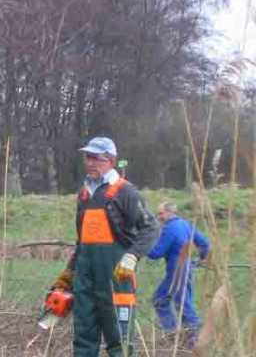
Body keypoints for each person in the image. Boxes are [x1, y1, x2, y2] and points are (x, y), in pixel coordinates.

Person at [51, 137, 160, 356]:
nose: (89, 162)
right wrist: (68, 274)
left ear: (110, 161)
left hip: (117, 279)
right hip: (85, 281)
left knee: (120, 342)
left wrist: (132, 257)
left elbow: (151, 228)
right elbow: (83, 241)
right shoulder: (84, 195)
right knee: (83, 341)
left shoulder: (125, 192)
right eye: (87, 157)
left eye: (95, 158)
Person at [147, 202, 210, 347]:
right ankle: (180, 336)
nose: (159, 217)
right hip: (186, 269)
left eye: (161, 213)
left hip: (176, 272)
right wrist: (199, 259)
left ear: (169, 213)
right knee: (167, 300)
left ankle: (191, 340)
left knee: (177, 303)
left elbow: (156, 253)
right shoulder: (185, 224)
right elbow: (205, 244)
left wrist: (142, 246)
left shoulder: (170, 229)